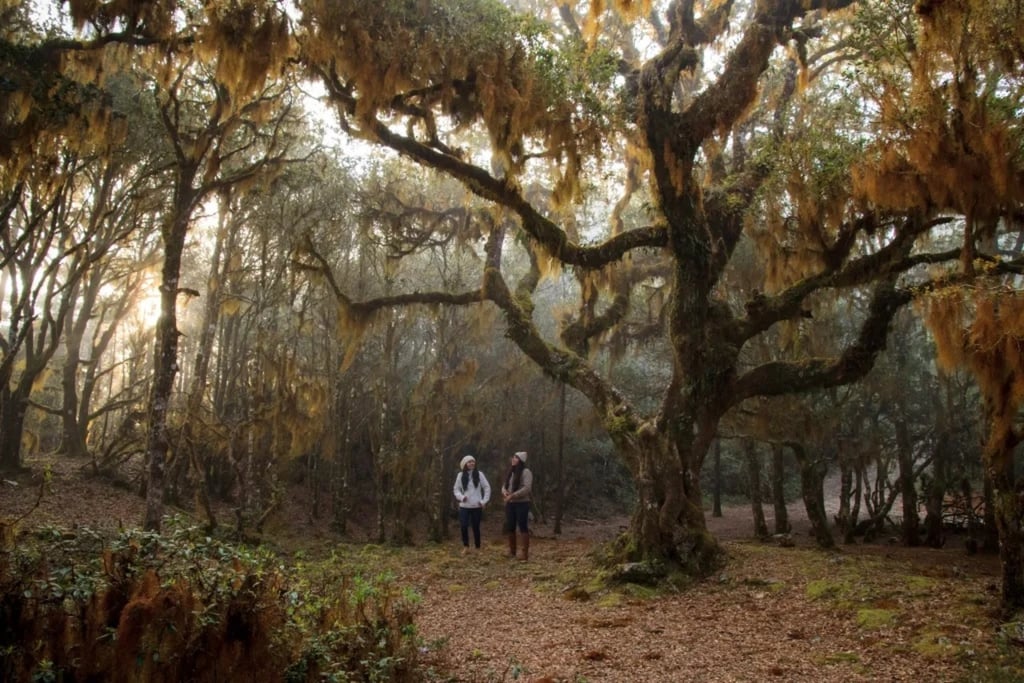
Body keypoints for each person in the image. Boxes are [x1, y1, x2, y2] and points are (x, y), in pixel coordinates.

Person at [453, 454, 490, 553]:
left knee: (476, 527)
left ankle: (477, 547)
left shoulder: (479, 474)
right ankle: (466, 546)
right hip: (464, 506)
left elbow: (487, 488)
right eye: (469, 462)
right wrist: (461, 497)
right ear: (465, 464)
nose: (472, 463)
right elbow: (456, 489)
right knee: (464, 526)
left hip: (476, 505)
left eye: (473, 461)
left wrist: (483, 501)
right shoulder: (460, 475)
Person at [501, 451, 532, 561]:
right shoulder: (511, 471)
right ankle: (512, 551)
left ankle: (524, 553)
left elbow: (527, 488)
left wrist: (513, 495)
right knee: (510, 526)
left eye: (516, 457)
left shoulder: (526, 472)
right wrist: (504, 492)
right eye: (513, 457)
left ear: (520, 460)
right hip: (510, 503)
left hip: (522, 503)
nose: (513, 459)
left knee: (523, 526)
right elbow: (505, 485)